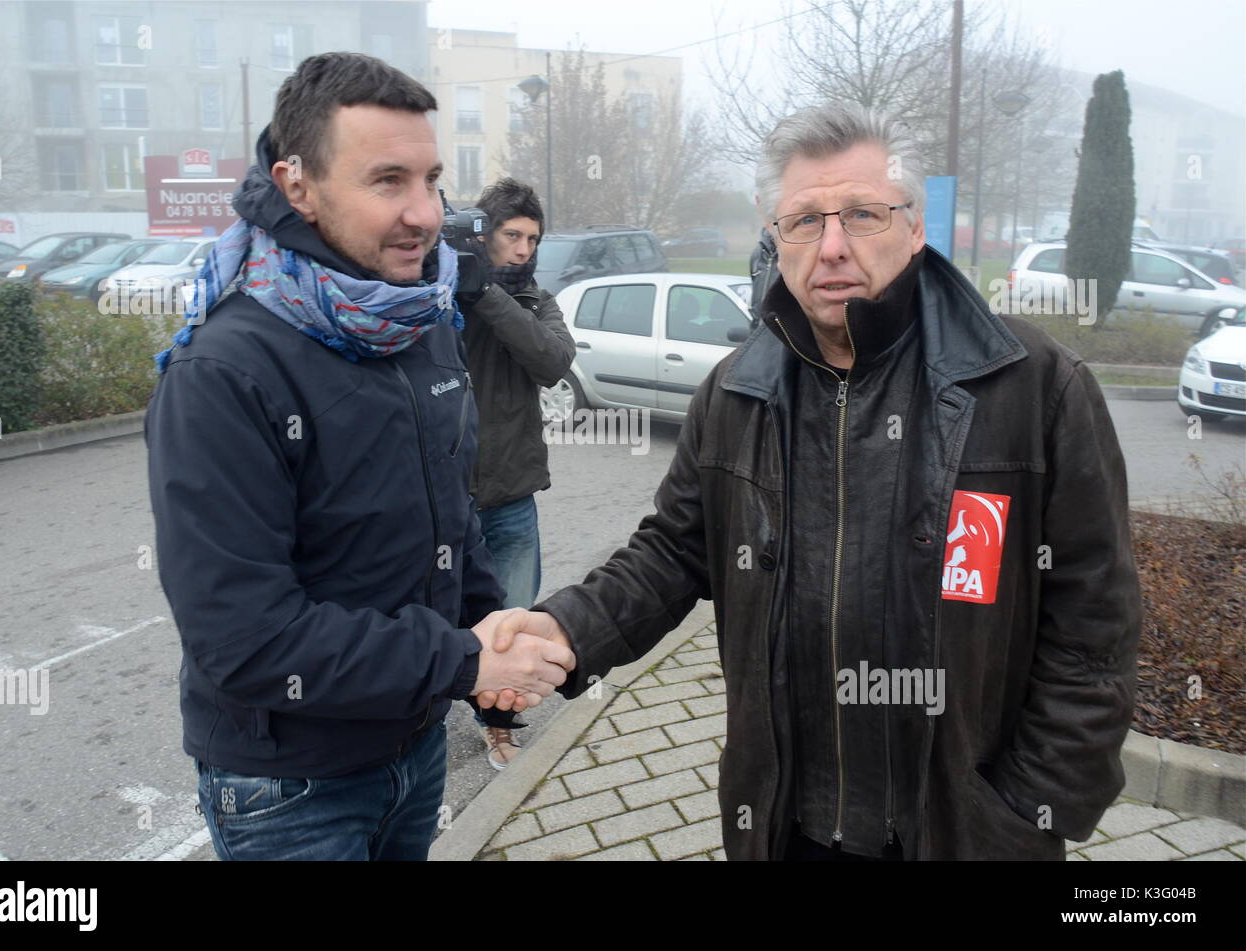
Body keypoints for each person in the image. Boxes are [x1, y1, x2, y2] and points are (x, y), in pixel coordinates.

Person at [482, 102, 1141, 861]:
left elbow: (1096, 625)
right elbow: (673, 550)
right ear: (775, 235)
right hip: (784, 823)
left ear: (915, 227)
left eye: (862, 214)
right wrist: (567, 628)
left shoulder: (1032, 386)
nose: (832, 247)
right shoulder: (735, 393)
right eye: (804, 220)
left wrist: (1032, 808)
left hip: (964, 830)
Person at [144, 52, 574, 862]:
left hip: (412, 751)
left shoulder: (418, 320)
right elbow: (244, 638)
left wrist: (492, 622)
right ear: (297, 184)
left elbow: (450, 516)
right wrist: (462, 658)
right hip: (290, 789)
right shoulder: (225, 372)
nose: (425, 213)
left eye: (432, 180)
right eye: (388, 181)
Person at [455, 177, 575, 769]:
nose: (524, 248)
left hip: (510, 494)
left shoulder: (535, 301)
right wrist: (462, 288)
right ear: (484, 235)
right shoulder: (440, 292)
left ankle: (497, 723)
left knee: (510, 619)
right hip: (445, 499)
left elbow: (552, 361)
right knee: (432, 616)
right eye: (512, 235)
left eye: (532, 238)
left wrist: (487, 295)